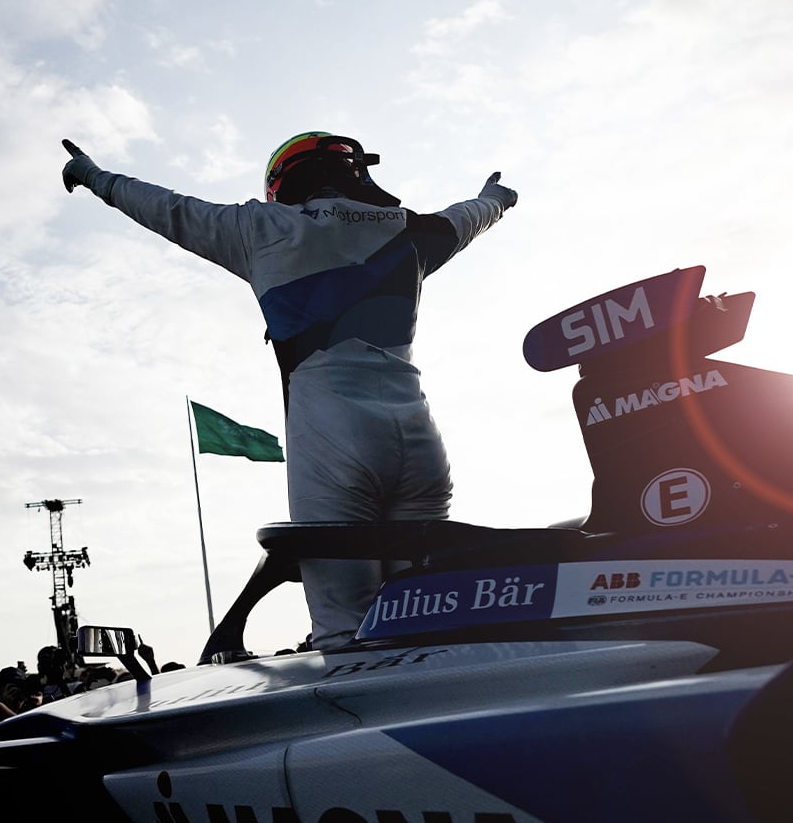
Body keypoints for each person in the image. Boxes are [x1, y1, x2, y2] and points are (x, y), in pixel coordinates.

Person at [60, 131, 517, 648]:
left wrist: (94, 177)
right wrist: (497, 199)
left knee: (348, 633)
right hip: (420, 436)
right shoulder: (409, 227)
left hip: (333, 433)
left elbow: (169, 209)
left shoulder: (259, 227)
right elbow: (470, 216)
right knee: (424, 621)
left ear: (285, 179)